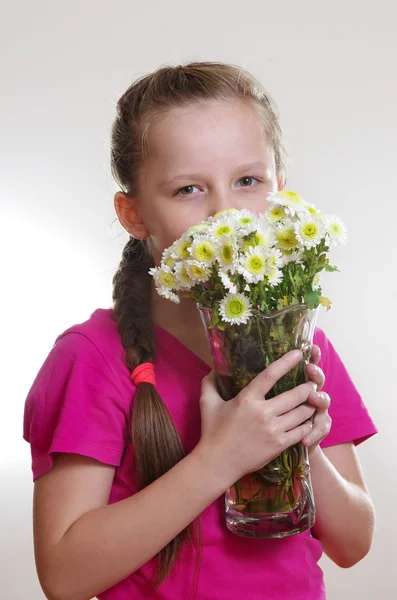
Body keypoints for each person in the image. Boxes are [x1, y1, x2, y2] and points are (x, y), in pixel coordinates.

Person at [23, 62, 377, 600]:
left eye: (248, 182)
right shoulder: (93, 356)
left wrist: (301, 447)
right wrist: (221, 458)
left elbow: (354, 542)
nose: (224, 215)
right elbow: (64, 576)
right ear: (134, 214)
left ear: (279, 192)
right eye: (188, 189)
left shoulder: (302, 342)